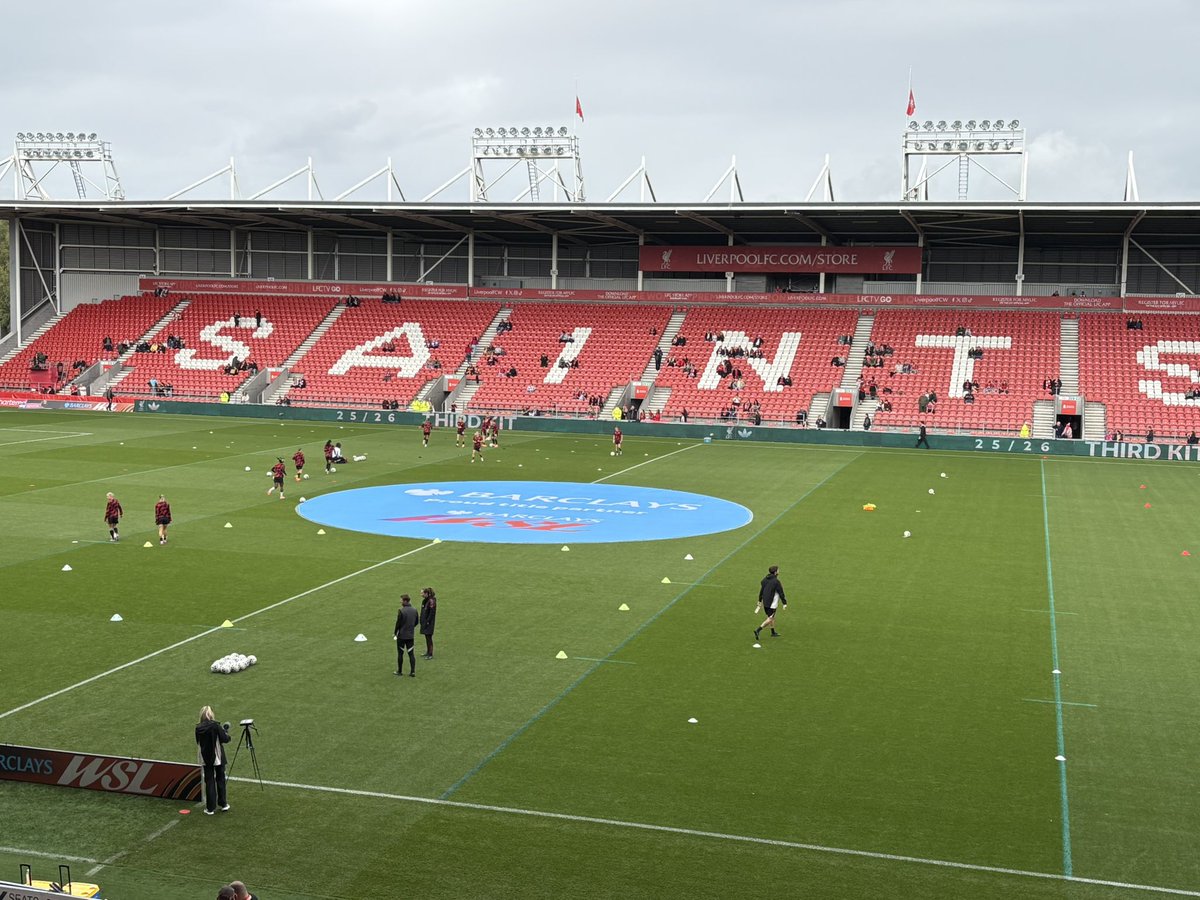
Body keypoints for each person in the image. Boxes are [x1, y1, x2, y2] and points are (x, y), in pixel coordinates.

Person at [195, 705, 231, 814]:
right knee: (220, 779)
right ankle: (223, 804)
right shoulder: (215, 726)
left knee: (209, 781)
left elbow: (198, 741)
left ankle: (210, 808)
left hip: (206, 757)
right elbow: (225, 739)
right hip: (218, 756)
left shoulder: (198, 728)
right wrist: (225, 732)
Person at [754, 565, 787, 641]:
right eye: (778, 570)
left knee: (772, 617)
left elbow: (761, 591)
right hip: (772, 604)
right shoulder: (776, 582)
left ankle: (773, 632)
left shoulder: (765, 579)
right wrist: (784, 603)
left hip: (766, 602)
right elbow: (781, 593)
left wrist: (759, 600)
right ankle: (758, 630)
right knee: (770, 618)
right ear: (775, 572)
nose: (779, 571)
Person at [394, 594, 418, 677]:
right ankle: (413, 672)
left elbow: (398, 624)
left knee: (400, 654)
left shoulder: (401, 611)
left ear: (405, 601)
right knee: (411, 654)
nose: (400, 601)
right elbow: (416, 622)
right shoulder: (414, 610)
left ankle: (399, 671)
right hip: (410, 636)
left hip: (401, 636)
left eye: (401, 600)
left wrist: (395, 632)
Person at [420, 587, 437, 659]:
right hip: (425, 622)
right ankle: (428, 652)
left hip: (429, 623)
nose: (421, 594)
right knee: (427, 637)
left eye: (422, 593)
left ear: (426, 593)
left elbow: (432, 613)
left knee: (429, 638)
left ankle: (430, 654)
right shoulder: (425, 601)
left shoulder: (431, 601)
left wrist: (428, 622)